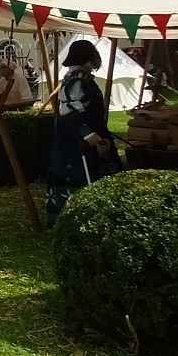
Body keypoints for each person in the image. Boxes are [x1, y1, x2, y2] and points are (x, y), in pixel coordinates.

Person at [46, 40, 121, 227]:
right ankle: (77, 220)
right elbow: (70, 110)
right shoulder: (77, 79)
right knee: (77, 173)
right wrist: (87, 134)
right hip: (75, 137)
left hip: (79, 133)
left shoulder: (77, 77)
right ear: (87, 59)